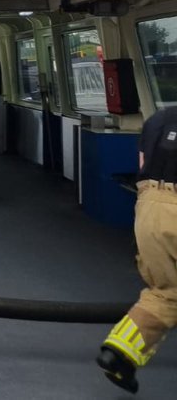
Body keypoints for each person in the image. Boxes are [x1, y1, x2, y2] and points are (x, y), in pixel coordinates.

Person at [97, 105, 177, 393]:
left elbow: (143, 163)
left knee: (166, 291)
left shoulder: (160, 119)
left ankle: (121, 352)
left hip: (149, 207)